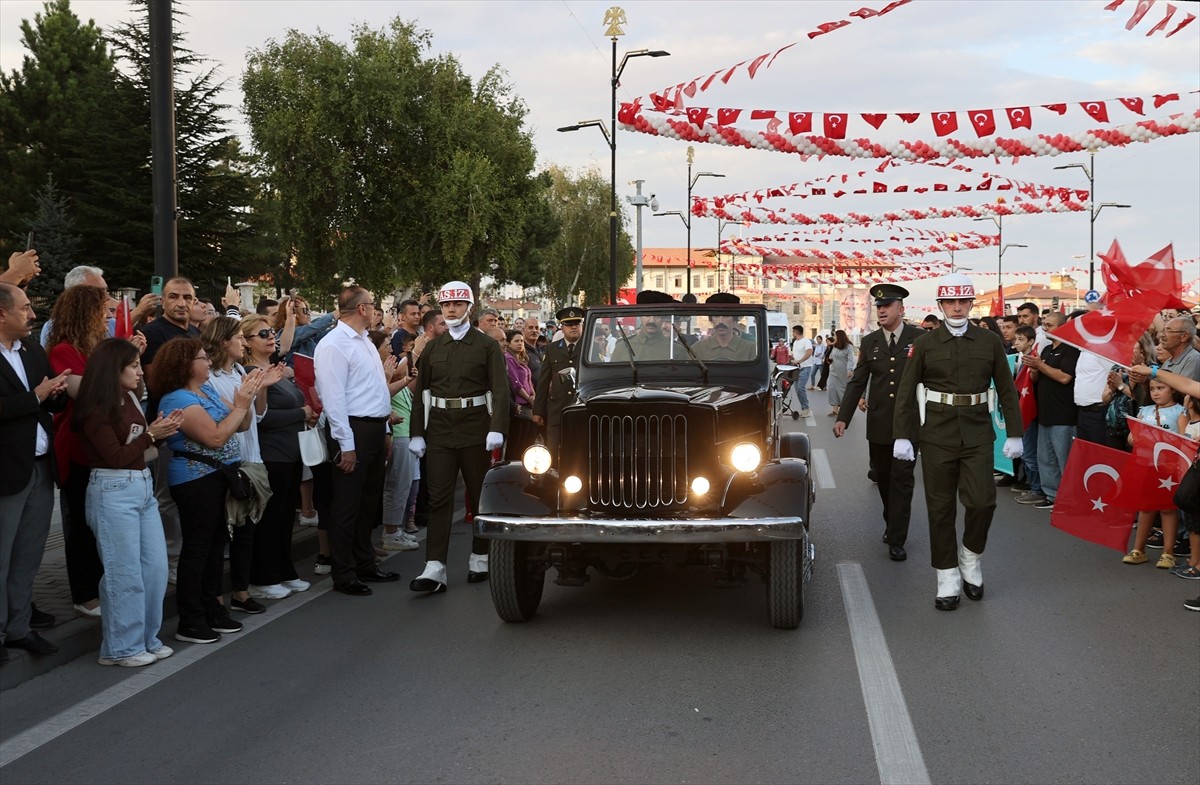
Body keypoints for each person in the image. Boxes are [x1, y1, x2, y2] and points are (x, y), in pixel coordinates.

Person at [893, 273, 1022, 610]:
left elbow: (1006, 389)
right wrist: (903, 437)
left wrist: (1016, 433)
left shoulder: (988, 341)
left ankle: (970, 555)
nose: (956, 307)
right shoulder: (924, 344)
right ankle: (947, 575)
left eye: (962, 301)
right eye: (949, 302)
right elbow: (906, 392)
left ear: (970, 303)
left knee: (982, 502)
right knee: (940, 508)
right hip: (936, 433)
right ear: (940, 305)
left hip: (978, 432)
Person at [75, 338, 184, 666]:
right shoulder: (95, 406)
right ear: (113, 369)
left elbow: (139, 445)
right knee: (124, 573)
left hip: (141, 486)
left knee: (155, 569)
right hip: (112, 490)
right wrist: (152, 435)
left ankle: (146, 638)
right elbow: (116, 455)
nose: (140, 371)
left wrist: (161, 432)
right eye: (133, 366)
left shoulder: (130, 398)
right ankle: (121, 647)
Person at [154, 338, 263, 643]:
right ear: (185, 365)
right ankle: (190, 620)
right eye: (202, 358)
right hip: (195, 480)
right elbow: (215, 437)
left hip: (218, 478)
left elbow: (240, 425)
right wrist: (240, 406)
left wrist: (247, 399)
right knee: (198, 549)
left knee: (216, 547)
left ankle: (211, 608)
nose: (208, 363)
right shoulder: (177, 399)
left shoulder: (206, 390)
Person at [408, 280, 509, 592]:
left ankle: (480, 555)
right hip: (439, 429)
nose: (451, 310)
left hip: (475, 428)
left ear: (469, 308)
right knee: (438, 498)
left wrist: (497, 428)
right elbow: (420, 393)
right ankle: (434, 567)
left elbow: (501, 391)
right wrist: (417, 433)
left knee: (479, 495)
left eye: (458, 304)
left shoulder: (487, 346)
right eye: (446, 305)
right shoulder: (433, 348)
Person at [0, 282, 70, 663]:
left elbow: (47, 399)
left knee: (28, 555)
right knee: (2, 556)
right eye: (25, 307)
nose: (32, 314)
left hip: (41, 468)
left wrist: (56, 392)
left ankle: (19, 627)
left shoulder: (29, 348)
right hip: (7, 472)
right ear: (1, 313)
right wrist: (37, 397)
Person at [313, 286, 397, 597]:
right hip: (351, 431)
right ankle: (344, 573)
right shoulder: (334, 344)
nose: (377, 311)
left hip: (373, 428)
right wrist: (346, 444)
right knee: (346, 504)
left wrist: (385, 430)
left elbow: (373, 390)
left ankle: (365, 563)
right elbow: (333, 399)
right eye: (373, 305)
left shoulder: (364, 341)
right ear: (361, 309)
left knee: (367, 503)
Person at [834, 284, 923, 561]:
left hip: (908, 424)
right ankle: (891, 520)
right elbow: (859, 380)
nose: (881, 310)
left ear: (901, 308)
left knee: (902, 481)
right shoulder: (870, 341)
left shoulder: (919, 339)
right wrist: (843, 417)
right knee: (884, 479)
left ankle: (897, 538)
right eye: (878, 306)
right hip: (880, 423)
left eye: (887, 306)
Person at [46, 285, 114, 618]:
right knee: (80, 523)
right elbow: (84, 391)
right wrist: (118, 366)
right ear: (87, 314)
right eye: (104, 312)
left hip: (102, 446)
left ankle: (101, 584)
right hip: (76, 446)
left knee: (100, 523)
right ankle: (84, 593)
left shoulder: (97, 349)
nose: (109, 319)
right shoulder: (62, 350)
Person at [242, 315, 316, 608]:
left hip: (291, 452)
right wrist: (302, 413)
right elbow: (262, 418)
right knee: (270, 519)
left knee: (285, 517)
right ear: (247, 343)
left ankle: (284, 570)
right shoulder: (252, 373)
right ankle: (263, 578)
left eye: (271, 331)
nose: (271, 336)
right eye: (262, 333)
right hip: (272, 453)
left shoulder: (275, 370)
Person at [1121, 377, 1186, 569]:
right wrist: (1138, 436)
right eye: (1152, 389)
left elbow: (1184, 440)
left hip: (1168, 468)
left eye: (1161, 388)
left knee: (1167, 508)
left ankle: (1168, 553)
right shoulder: (1144, 411)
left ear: (1173, 389)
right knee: (1146, 507)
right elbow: (1131, 439)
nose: (1155, 392)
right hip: (1146, 466)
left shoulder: (1180, 412)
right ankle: (1138, 549)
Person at [1023, 311, 1078, 511]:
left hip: (1063, 414)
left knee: (1064, 459)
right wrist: (1035, 370)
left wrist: (1040, 365)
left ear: (1063, 327)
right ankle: (1051, 495)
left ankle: (1068, 499)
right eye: (1044, 324)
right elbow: (1038, 379)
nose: (1045, 328)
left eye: (1050, 325)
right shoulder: (1045, 350)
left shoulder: (1071, 350)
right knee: (1045, 458)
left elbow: (1064, 378)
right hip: (1045, 412)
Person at [534, 306, 586, 464]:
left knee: (580, 454)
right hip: (557, 410)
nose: (573, 327)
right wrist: (538, 411)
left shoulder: (589, 347)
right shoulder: (552, 349)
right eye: (569, 324)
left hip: (581, 409)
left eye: (577, 323)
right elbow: (543, 382)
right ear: (562, 327)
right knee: (554, 454)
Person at [1010, 325, 1046, 505]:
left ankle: (1037, 489)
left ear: (1031, 341)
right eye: (1016, 339)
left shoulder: (1033, 359)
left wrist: (1033, 370)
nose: (1016, 343)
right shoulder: (1017, 358)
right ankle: (1033, 486)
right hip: (1019, 407)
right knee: (1026, 452)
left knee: (1030, 452)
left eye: (1021, 339)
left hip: (1030, 410)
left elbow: (1031, 382)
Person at [504, 329, 539, 459]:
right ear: (508, 343)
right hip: (520, 404)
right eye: (516, 341)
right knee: (517, 442)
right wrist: (528, 398)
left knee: (527, 441)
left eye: (522, 341)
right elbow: (515, 382)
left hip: (528, 404)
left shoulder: (521, 359)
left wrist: (534, 395)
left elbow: (529, 381)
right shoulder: (508, 359)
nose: (520, 344)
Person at [692, 293, 756, 361]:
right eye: (716, 316)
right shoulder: (698, 348)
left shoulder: (750, 349)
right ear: (711, 319)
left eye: (726, 316)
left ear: (734, 319)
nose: (720, 321)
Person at [825, 329, 855, 418]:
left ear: (840, 337)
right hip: (833, 371)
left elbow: (851, 359)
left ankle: (844, 410)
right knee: (832, 389)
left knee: (842, 390)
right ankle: (834, 410)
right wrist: (829, 360)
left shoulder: (848, 346)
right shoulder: (835, 346)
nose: (834, 338)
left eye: (835, 336)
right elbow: (831, 356)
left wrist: (850, 369)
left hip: (843, 372)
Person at [787, 325, 813, 418]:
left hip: (805, 368)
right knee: (797, 389)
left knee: (800, 388)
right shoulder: (795, 342)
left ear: (796, 332)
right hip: (796, 368)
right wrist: (792, 359)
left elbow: (809, 352)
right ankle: (804, 408)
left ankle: (806, 408)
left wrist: (800, 361)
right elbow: (795, 354)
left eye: (793, 332)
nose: (792, 334)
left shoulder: (806, 341)